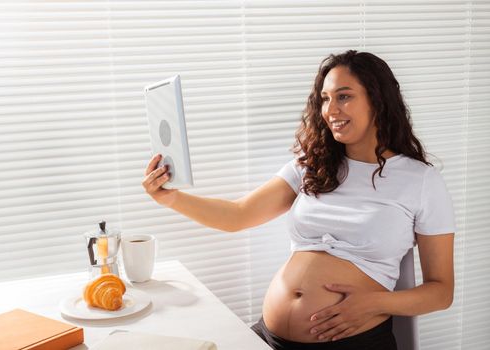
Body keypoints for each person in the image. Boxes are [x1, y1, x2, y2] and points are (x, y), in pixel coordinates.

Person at [142, 50, 455, 350]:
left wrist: (375, 302)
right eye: (325, 99)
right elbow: (237, 215)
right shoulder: (312, 166)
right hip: (270, 337)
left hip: (353, 341)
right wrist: (171, 198)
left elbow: (441, 291)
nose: (331, 110)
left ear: (378, 101)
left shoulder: (421, 181)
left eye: (344, 96)